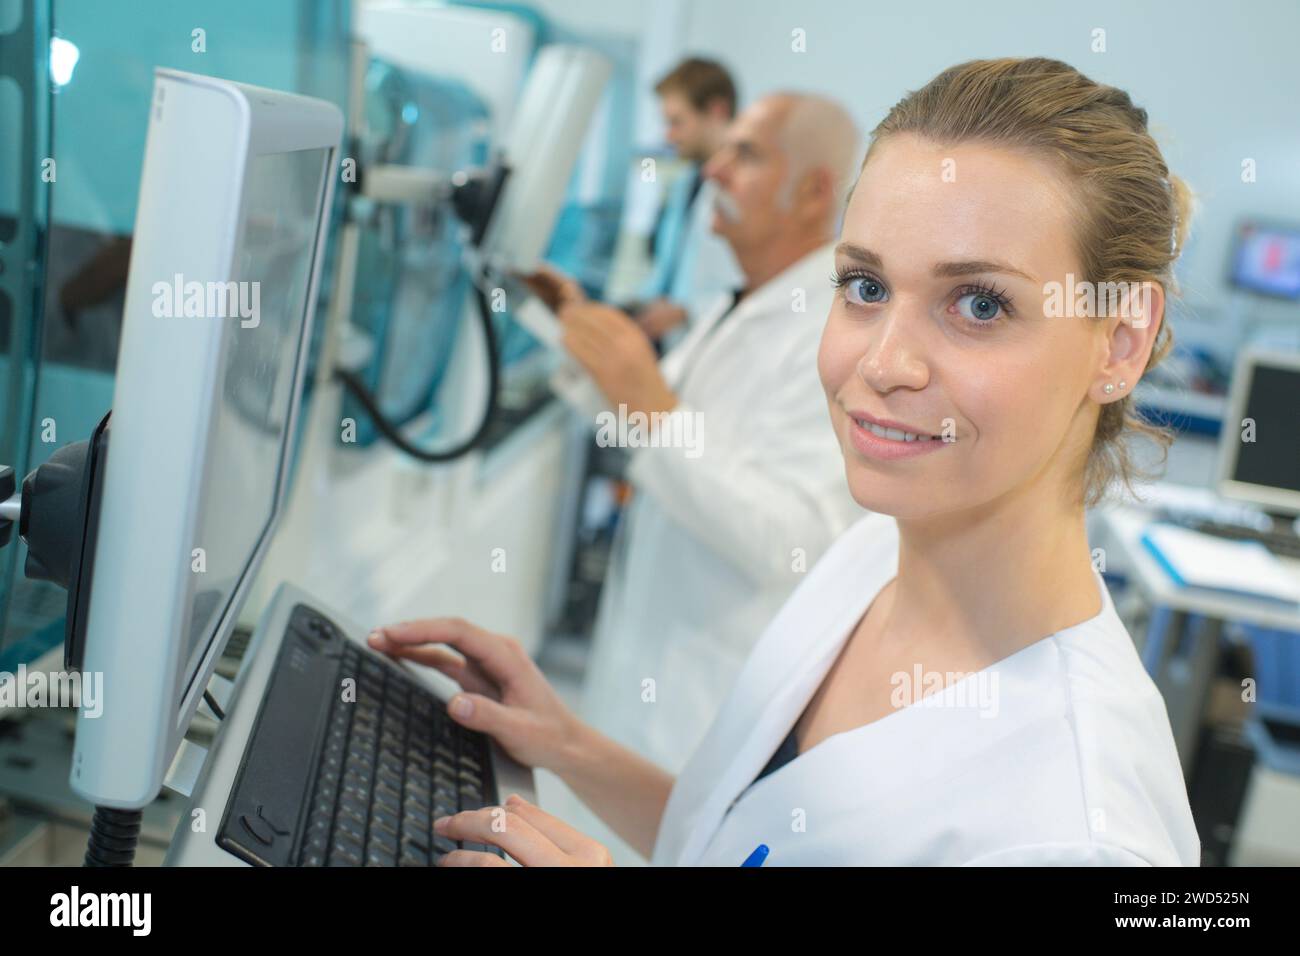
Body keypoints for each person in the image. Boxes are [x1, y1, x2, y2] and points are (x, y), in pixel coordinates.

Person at [371, 57, 1202, 866]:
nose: (882, 365)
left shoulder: (1080, 830)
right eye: (866, 287)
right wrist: (564, 744)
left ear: (1120, 343)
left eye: (979, 304)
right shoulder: (872, 554)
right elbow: (736, 838)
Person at [534, 92, 863, 773]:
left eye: (745, 154)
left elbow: (792, 542)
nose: (713, 170)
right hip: (644, 670)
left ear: (813, 191)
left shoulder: (834, 337)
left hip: (705, 709)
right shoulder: (733, 303)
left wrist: (653, 406)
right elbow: (651, 438)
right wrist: (575, 333)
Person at [633, 57, 743, 346]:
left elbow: (748, 285)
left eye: (677, 122)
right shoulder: (687, 181)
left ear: (717, 111)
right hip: (670, 344)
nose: (668, 136)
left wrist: (685, 312)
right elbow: (669, 266)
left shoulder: (746, 191)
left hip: (712, 343)